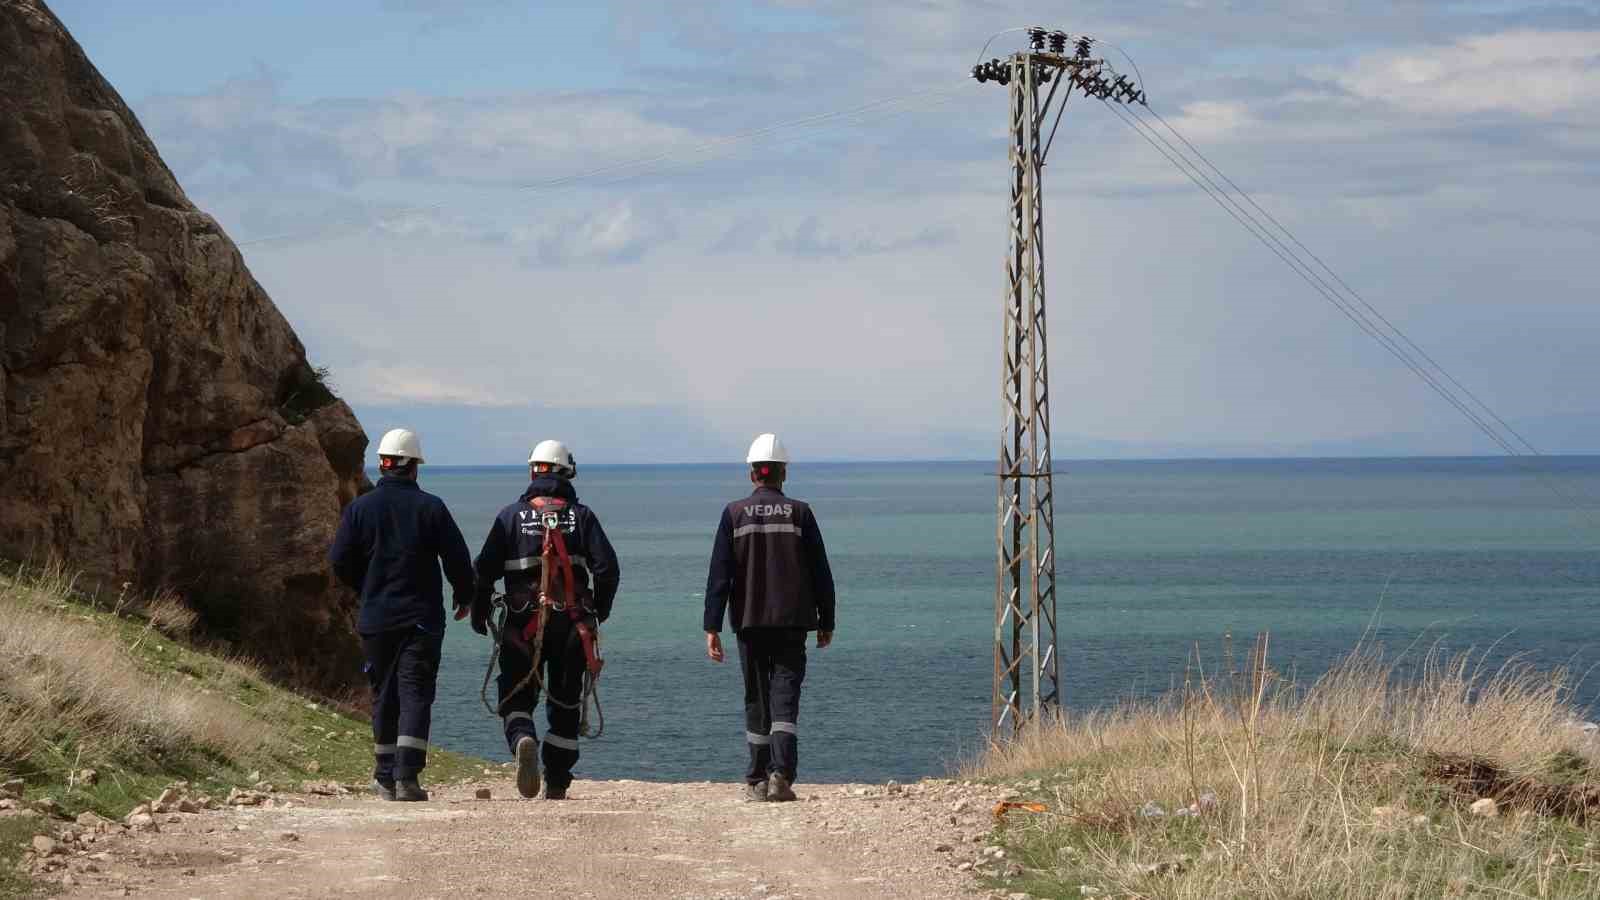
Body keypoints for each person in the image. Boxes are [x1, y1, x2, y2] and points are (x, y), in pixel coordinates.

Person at [329, 428, 474, 802]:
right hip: (421, 619)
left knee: (383, 694)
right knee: (415, 693)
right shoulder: (431, 507)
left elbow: (339, 561)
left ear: (382, 465)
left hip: (376, 619)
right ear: (414, 467)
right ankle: (407, 778)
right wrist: (465, 596)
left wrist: (365, 589)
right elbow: (457, 559)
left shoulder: (359, 509)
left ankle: (383, 777)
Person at [471, 439, 620, 800]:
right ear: (567, 473)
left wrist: (478, 612)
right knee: (566, 701)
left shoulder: (510, 516)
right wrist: (598, 610)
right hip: (572, 625)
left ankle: (523, 737)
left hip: (521, 624)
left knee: (515, 695)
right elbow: (608, 570)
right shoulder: (582, 517)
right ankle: (556, 780)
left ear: (532, 471)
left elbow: (483, 570)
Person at [703, 433, 836, 802]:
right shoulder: (801, 513)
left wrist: (711, 626)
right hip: (792, 623)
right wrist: (827, 620)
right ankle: (782, 775)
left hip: (748, 623)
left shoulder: (733, 514)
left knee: (756, 698)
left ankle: (757, 779)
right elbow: (820, 572)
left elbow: (719, 575)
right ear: (783, 474)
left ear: (752, 475)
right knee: (785, 699)